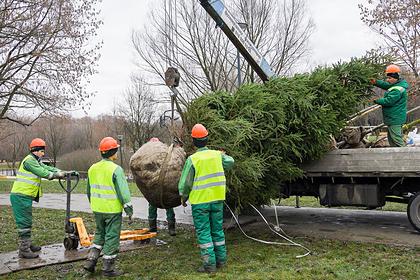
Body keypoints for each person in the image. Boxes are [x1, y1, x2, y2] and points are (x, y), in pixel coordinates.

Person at [178, 124, 234, 273]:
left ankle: (209, 265)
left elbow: (185, 184)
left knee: (204, 232)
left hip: (200, 203)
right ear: (207, 139)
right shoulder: (217, 155)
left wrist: (183, 197)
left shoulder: (193, 159)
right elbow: (231, 162)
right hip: (217, 200)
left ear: (194, 141)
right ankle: (221, 261)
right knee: (217, 230)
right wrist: (222, 154)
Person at [83, 137, 133, 277]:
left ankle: (90, 261)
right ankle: (108, 268)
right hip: (112, 211)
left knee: (99, 234)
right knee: (111, 237)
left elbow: (89, 191)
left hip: (98, 209)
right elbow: (123, 193)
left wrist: (94, 204)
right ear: (113, 152)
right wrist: (128, 209)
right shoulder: (116, 169)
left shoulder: (92, 168)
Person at [10, 138, 67, 259]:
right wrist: (56, 175)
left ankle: (28, 244)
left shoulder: (35, 160)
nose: (43, 153)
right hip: (20, 196)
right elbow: (43, 172)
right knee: (24, 222)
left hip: (24, 196)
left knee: (27, 221)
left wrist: (61, 171)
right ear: (35, 151)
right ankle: (24, 250)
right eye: (41, 151)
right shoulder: (29, 162)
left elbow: (47, 168)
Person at [371, 64, 409, 147]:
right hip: (393, 117)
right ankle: (396, 156)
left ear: (396, 77)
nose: (388, 80)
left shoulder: (397, 90)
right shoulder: (397, 84)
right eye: (387, 78)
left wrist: (376, 100)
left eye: (390, 78)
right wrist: (376, 82)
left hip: (395, 118)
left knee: (396, 139)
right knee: (391, 139)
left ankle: (406, 156)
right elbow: (387, 85)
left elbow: (389, 101)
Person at [147, 137, 176, 236]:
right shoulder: (148, 158)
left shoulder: (163, 156)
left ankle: (168, 228)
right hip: (154, 187)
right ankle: (153, 228)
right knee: (155, 206)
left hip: (163, 186)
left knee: (168, 205)